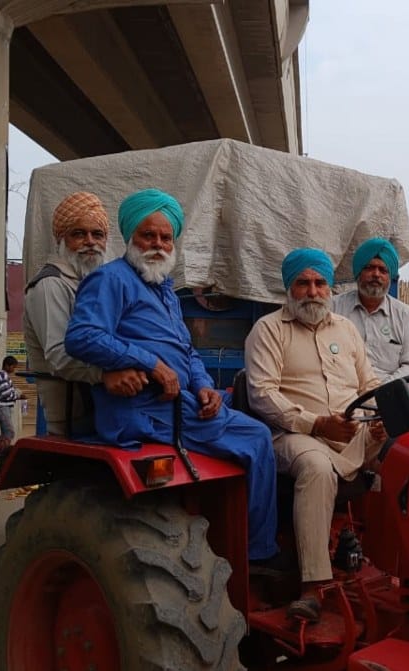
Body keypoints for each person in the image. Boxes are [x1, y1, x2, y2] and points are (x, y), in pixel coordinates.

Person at [64, 188, 278, 563]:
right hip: (144, 410)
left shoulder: (164, 289)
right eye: (148, 235)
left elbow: (187, 351)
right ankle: (258, 554)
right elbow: (82, 336)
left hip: (180, 403)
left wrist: (205, 386)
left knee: (247, 408)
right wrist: (150, 363)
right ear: (130, 236)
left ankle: (237, 534)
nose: (158, 245)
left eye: (166, 237)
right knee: (258, 438)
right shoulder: (111, 279)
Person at [245, 247, 385, 623]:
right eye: (303, 283)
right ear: (288, 288)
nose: (312, 292)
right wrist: (318, 424)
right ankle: (313, 587)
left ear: (330, 288)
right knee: (317, 468)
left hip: (351, 432)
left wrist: (380, 418)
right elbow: (262, 394)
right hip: (292, 436)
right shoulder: (268, 330)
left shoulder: (346, 329)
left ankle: (407, 571)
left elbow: (369, 384)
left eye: (320, 283)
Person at [23, 191, 119, 436]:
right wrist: (111, 373)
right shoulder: (50, 284)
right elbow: (58, 356)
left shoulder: (96, 282)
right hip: (74, 421)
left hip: (107, 412)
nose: (90, 241)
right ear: (61, 240)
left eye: (97, 234)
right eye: (79, 234)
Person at [332, 237, 409, 382]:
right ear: (359, 272)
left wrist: (381, 391)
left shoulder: (405, 315)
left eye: (383, 270)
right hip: (342, 390)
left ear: (390, 277)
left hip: (389, 392)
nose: (376, 274)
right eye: (369, 268)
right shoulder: (334, 308)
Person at [0, 356, 26, 443]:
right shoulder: (2, 376)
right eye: (13, 367)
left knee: (6, 432)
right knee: (9, 432)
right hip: (2, 408)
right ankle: (4, 448)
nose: (14, 370)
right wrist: (18, 396)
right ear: (7, 365)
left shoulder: (3, 375)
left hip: (3, 407)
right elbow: (6, 395)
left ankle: (3, 447)